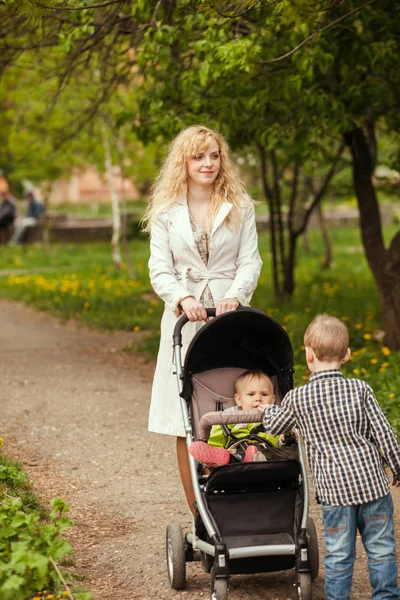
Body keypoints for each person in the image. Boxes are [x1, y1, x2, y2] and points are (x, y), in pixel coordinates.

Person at [143, 125, 262, 513]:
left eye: (214, 155)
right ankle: (198, 510)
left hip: (228, 316)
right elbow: (160, 269)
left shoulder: (240, 206)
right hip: (186, 317)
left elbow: (250, 261)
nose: (208, 163)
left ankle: (240, 496)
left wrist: (235, 296)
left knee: (232, 399)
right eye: (198, 157)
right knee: (185, 415)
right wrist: (183, 296)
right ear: (184, 162)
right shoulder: (165, 213)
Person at [262, 313, 400, 600]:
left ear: (309, 356)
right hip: (372, 485)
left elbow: (275, 427)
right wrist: (397, 466)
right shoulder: (360, 389)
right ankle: (386, 597)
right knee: (382, 549)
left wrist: (267, 409)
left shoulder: (297, 398)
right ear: (347, 355)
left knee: (338, 554)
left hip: (335, 493)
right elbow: (383, 432)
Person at [189, 370, 281, 467]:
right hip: (235, 455)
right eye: (251, 394)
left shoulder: (276, 417)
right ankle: (214, 458)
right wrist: (214, 448)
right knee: (227, 454)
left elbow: (282, 438)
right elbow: (217, 437)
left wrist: (284, 438)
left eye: (264, 394)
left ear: (273, 400)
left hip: (268, 454)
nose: (258, 398)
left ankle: (254, 458)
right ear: (239, 399)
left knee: (275, 452)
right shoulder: (229, 417)